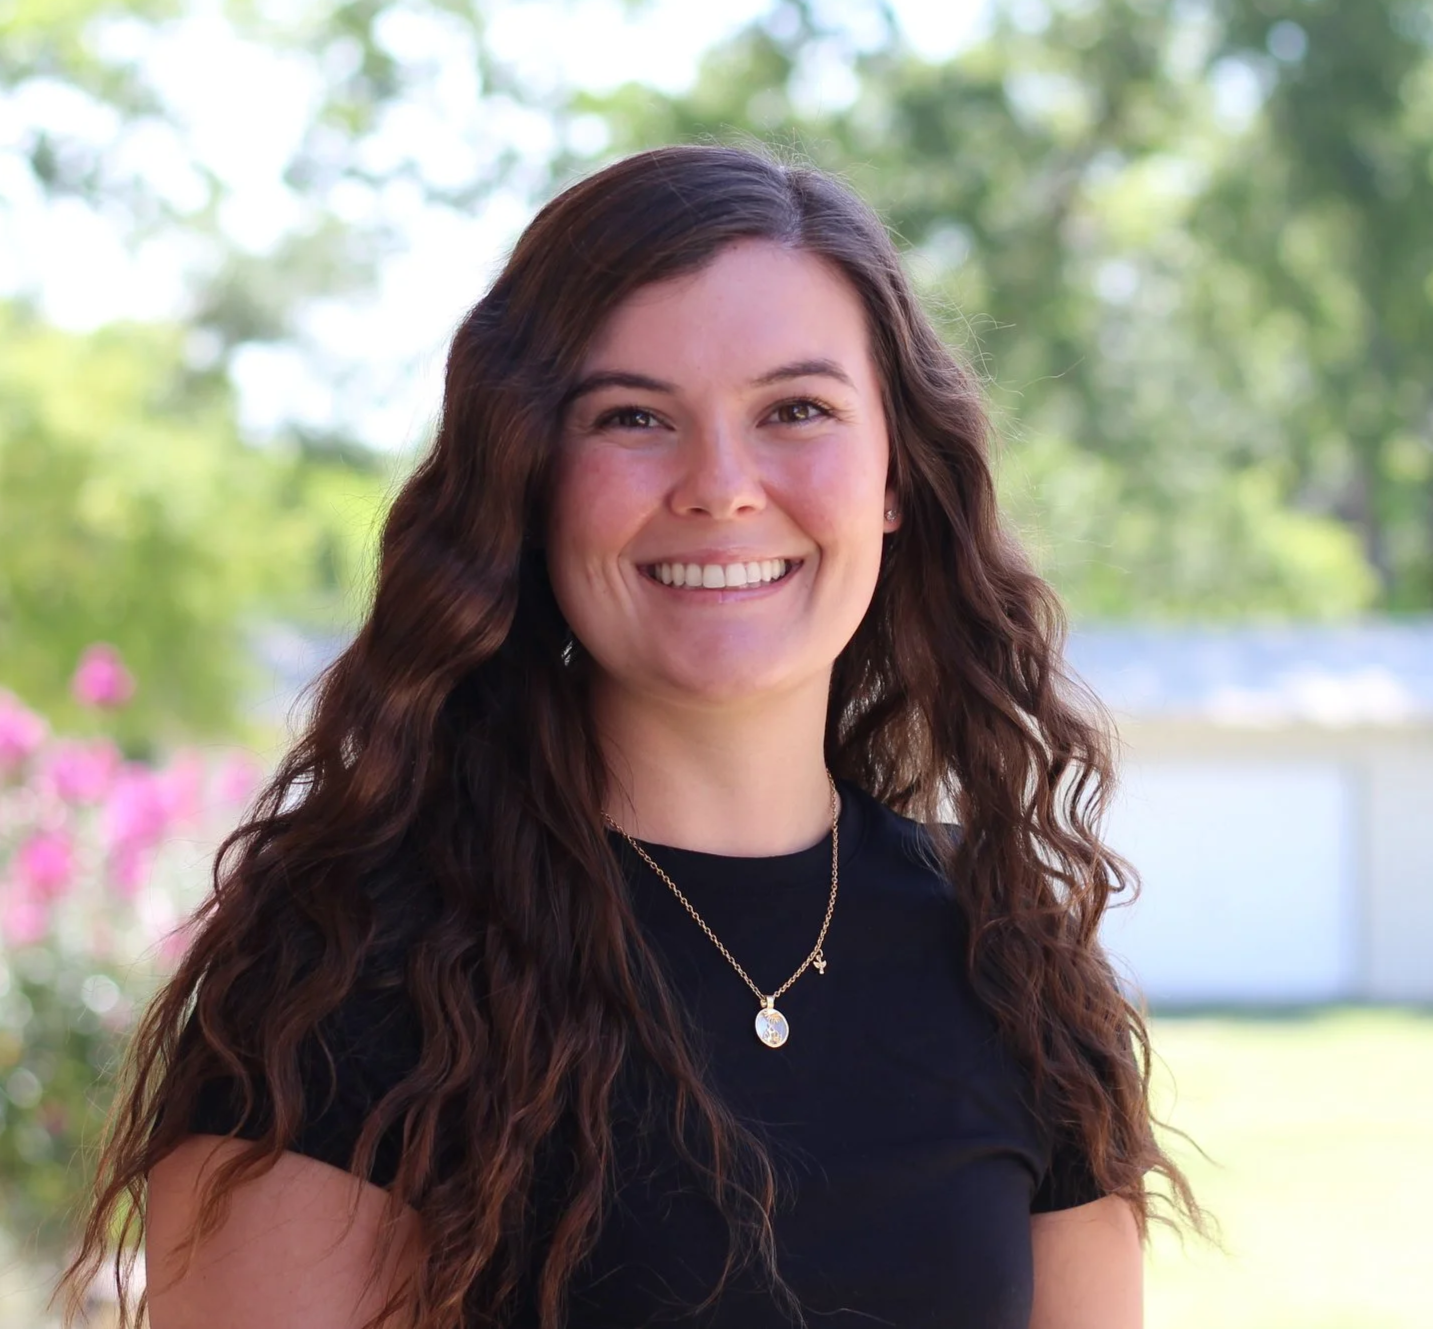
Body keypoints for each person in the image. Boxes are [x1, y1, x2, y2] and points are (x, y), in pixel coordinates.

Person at [62, 144, 1196, 1329]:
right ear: (532, 477)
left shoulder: (1012, 961)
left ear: (895, 475)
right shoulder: (347, 964)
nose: (720, 485)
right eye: (633, 416)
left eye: (795, 410)